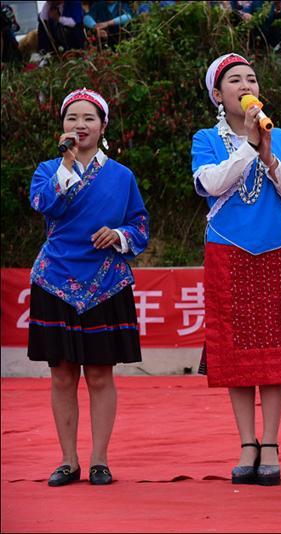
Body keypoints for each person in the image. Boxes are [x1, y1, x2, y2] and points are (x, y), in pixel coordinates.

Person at [191, 53, 281, 486]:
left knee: (275, 350)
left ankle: (272, 441)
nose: (246, 86)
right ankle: (247, 443)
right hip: (228, 251)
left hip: (277, 249)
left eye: (252, 79)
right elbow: (211, 184)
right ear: (217, 95)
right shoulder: (206, 138)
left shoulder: (277, 136)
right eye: (235, 81)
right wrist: (246, 146)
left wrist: (270, 158)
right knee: (236, 351)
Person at [28, 88, 149, 487]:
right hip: (55, 280)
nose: (79, 126)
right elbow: (46, 205)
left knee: (100, 375)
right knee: (62, 374)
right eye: (72, 119)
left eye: (88, 119)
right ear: (62, 126)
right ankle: (67, 459)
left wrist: (117, 234)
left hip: (105, 285)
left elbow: (140, 226)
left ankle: (100, 460)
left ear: (103, 126)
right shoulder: (48, 170)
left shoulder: (122, 176)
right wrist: (66, 162)